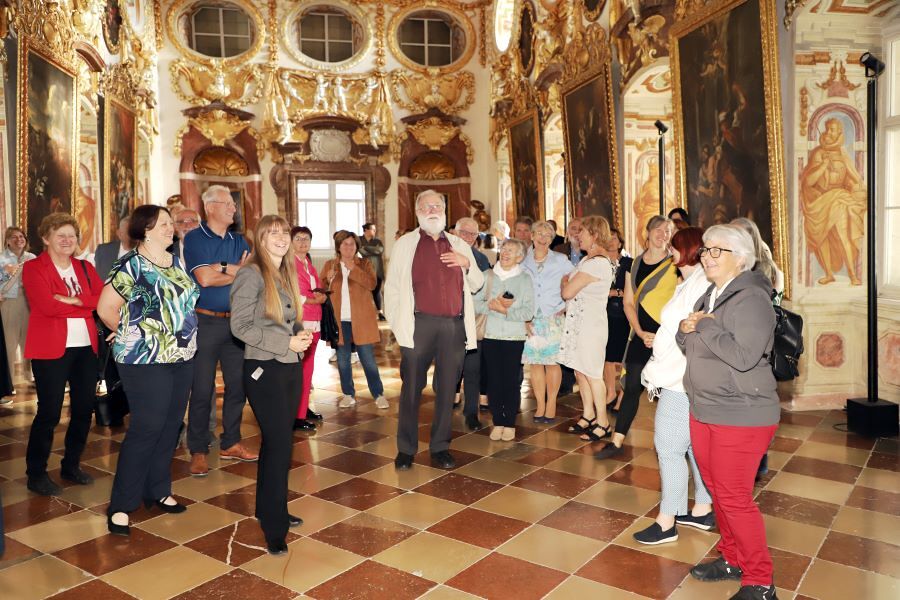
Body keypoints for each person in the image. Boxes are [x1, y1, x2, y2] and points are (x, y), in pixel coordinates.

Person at [679, 225, 779, 600]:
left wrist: (704, 326)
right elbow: (689, 341)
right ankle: (732, 558)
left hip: (742, 412)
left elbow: (744, 355)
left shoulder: (752, 298)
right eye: (705, 250)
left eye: (715, 250)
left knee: (734, 497)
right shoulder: (712, 294)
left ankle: (760, 582)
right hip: (705, 407)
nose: (706, 256)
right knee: (718, 492)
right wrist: (686, 328)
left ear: (740, 257)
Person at [97, 205, 200, 536]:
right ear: (144, 230)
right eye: (163, 224)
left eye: (171, 223)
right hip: (144, 359)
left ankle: (158, 489)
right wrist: (128, 332)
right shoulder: (131, 264)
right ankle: (121, 505)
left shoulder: (175, 261)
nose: (171, 228)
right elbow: (106, 308)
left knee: (170, 426)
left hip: (182, 355)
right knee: (147, 427)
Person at [230, 215, 313, 555]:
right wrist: (285, 343)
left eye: (284, 232)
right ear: (260, 239)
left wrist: (300, 335)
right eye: (273, 233)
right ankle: (274, 529)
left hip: (288, 367)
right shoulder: (250, 273)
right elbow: (239, 327)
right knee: (279, 446)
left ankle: (269, 508)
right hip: (264, 369)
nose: (281, 238)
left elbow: (288, 320)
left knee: (277, 443)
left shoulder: (285, 271)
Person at [385, 189, 484, 470]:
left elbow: (477, 284)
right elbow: (391, 289)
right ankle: (406, 449)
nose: (432, 210)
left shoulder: (458, 243)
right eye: (426, 206)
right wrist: (399, 326)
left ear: (444, 211)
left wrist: (467, 264)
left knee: (447, 389)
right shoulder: (405, 244)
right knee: (411, 388)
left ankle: (440, 447)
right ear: (417, 212)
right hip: (419, 325)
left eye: (437, 206)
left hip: (453, 327)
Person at [632, 226, 714, 545]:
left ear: (688, 249)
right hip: (682, 375)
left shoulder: (699, 284)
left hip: (680, 378)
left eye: (675, 246)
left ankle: (667, 521)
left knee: (668, 448)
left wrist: (665, 342)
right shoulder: (691, 281)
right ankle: (702, 509)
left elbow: (691, 331)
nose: (670, 251)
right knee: (692, 446)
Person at [22, 213, 104, 496]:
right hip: (50, 349)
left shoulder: (84, 267)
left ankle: (71, 465)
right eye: (61, 236)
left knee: (83, 409)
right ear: (46, 239)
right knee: (49, 412)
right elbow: (46, 307)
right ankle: (36, 473)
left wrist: (73, 299)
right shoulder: (34, 268)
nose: (68, 240)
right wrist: (85, 305)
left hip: (86, 349)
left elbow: (102, 299)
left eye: (72, 235)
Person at [184, 184, 257, 477]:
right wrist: (235, 271)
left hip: (236, 322)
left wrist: (223, 266)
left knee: (238, 386)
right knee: (202, 389)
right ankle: (198, 449)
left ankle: (231, 442)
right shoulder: (195, 238)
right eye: (227, 204)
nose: (233, 208)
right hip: (205, 322)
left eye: (233, 205)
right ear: (210, 207)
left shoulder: (240, 240)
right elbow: (204, 278)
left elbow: (252, 274)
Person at [597, 215, 677, 459]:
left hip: (667, 336)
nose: (663, 234)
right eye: (659, 229)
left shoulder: (676, 264)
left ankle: (678, 444)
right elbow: (628, 303)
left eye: (668, 231)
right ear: (648, 232)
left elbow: (680, 302)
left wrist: (662, 334)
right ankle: (617, 441)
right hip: (641, 334)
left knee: (670, 392)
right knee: (632, 385)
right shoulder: (635, 264)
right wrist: (640, 332)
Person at [559, 216, 616, 442]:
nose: (577, 235)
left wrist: (565, 283)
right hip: (579, 325)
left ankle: (603, 422)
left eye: (582, 232)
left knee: (592, 374)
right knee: (580, 371)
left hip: (591, 327)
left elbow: (567, 291)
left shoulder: (597, 263)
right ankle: (588, 415)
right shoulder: (586, 260)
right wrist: (567, 283)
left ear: (594, 235)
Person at [474, 238, 534, 441]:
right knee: (493, 381)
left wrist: (505, 311)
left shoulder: (524, 279)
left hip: (514, 337)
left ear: (520, 257)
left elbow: (529, 311)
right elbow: (473, 302)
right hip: (490, 335)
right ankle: (497, 421)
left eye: (511, 250)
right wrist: (490, 306)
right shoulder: (487, 275)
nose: (506, 253)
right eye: (504, 249)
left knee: (510, 381)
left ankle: (509, 423)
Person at [322, 230, 386, 409]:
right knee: (343, 360)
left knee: (368, 359)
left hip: (361, 319)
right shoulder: (330, 265)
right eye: (345, 244)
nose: (349, 247)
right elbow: (321, 289)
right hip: (339, 320)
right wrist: (326, 281)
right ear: (338, 246)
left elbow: (372, 284)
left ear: (357, 246)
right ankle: (348, 394)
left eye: (352, 244)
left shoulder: (364, 263)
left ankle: (378, 394)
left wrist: (354, 269)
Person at [521, 221, 573, 423]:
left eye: (547, 235)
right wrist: (523, 317)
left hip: (553, 318)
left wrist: (566, 305)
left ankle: (551, 403)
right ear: (532, 236)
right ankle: (540, 405)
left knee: (552, 363)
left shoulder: (561, 260)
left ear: (552, 239)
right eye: (539, 234)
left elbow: (577, 282)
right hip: (531, 319)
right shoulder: (522, 260)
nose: (543, 238)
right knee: (535, 364)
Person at [453, 218, 492, 429]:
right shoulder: (444, 252)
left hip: (472, 322)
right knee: (447, 371)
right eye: (464, 232)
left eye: (473, 234)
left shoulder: (481, 259)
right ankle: (444, 409)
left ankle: (471, 413)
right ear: (454, 232)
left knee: (472, 370)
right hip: (448, 321)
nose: (468, 237)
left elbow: (484, 289)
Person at [291, 226, 325, 431]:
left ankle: (303, 408)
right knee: (300, 369)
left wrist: (321, 295)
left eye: (306, 238)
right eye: (298, 238)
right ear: (291, 242)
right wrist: (314, 299)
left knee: (308, 369)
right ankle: (296, 415)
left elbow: (316, 288)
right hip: (301, 320)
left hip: (315, 319)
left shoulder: (308, 264)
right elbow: (292, 292)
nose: (303, 242)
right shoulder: (289, 263)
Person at [0, 227, 36, 397]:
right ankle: (9, 383)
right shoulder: (1, 259)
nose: (18, 239)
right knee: (9, 342)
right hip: (9, 302)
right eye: (13, 237)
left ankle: (32, 377)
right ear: (7, 241)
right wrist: (7, 272)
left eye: (21, 236)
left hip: (30, 302)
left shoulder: (32, 258)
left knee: (30, 342)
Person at [603, 229, 632, 410]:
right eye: (608, 238)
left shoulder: (629, 263)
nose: (611, 241)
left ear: (620, 243)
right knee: (607, 356)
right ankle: (610, 392)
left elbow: (633, 288)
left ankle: (622, 395)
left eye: (614, 238)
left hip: (624, 315)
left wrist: (615, 292)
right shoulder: (600, 262)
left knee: (623, 357)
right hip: (604, 314)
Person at [359, 223, 385, 319]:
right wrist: (372, 250)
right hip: (364, 270)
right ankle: (365, 313)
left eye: (375, 229)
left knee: (377, 291)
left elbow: (379, 251)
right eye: (373, 229)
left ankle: (380, 313)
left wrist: (365, 247)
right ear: (366, 230)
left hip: (377, 269)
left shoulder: (377, 241)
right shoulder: (359, 240)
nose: (375, 231)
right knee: (364, 292)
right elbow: (362, 252)